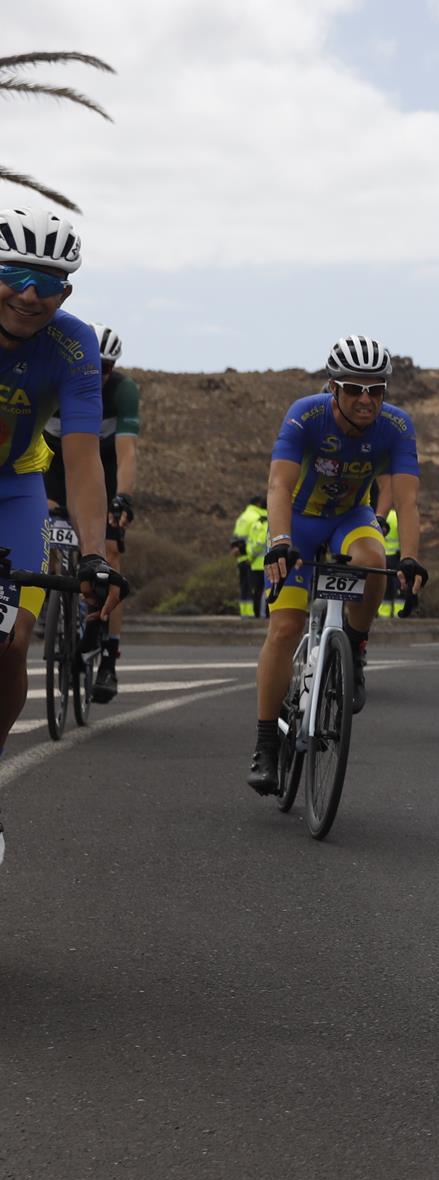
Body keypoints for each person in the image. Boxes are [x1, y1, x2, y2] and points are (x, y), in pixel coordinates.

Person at [0, 206, 125, 857]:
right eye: (16, 273)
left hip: (15, 491)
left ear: (67, 293)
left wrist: (97, 555)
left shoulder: (74, 346)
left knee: (13, 639)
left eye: (47, 282)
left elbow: (82, 459)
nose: (29, 293)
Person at [246, 335, 423, 793]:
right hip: (300, 523)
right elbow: (279, 486)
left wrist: (412, 559)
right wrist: (281, 540)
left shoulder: (397, 426)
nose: (366, 399)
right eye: (354, 388)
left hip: (349, 516)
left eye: (376, 390)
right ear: (333, 388)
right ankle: (266, 745)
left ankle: (356, 649)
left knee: (374, 558)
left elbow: (406, 499)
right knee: (284, 628)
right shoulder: (306, 414)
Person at [41, 322, 139, 701]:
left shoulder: (123, 392)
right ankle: (54, 602)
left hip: (104, 468)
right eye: (93, 364)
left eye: (107, 367)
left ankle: (109, 658)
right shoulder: (54, 379)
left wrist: (123, 499)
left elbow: (127, 452)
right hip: (51, 463)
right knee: (45, 530)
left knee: (110, 554)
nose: (99, 374)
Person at [232, 494, 269, 618]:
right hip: (254, 559)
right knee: (259, 589)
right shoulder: (258, 518)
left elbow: (236, 539)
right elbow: (260, 540)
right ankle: (255, 614)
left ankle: (245, 613)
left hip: (242, 558)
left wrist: (236, 550)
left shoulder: (242, 517)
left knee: (245, 587)